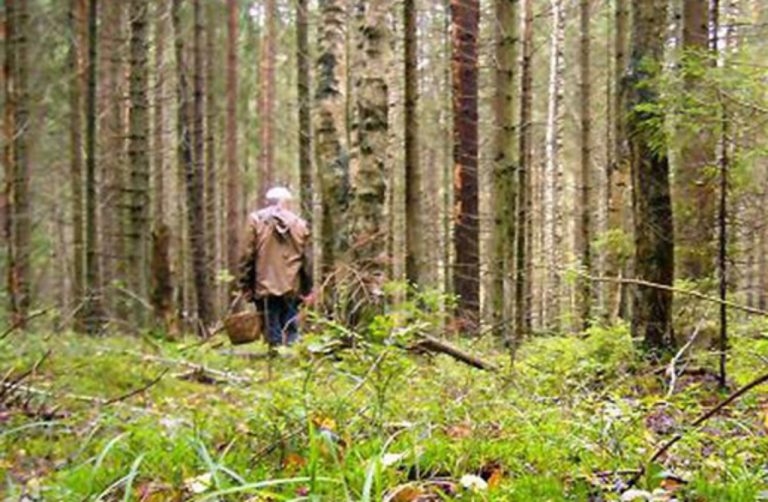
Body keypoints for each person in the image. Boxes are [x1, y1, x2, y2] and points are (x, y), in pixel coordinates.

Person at [238, 187, 313, 346]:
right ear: (287, 203)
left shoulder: (256, 221)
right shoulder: (300, 224)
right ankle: (291, 361)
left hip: (264, 284)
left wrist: (245, 284)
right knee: (291, 327)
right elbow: (306, 260)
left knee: (271, 329)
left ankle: (275, 361)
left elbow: (247, 255)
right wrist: (307, 288)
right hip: (292, 285)